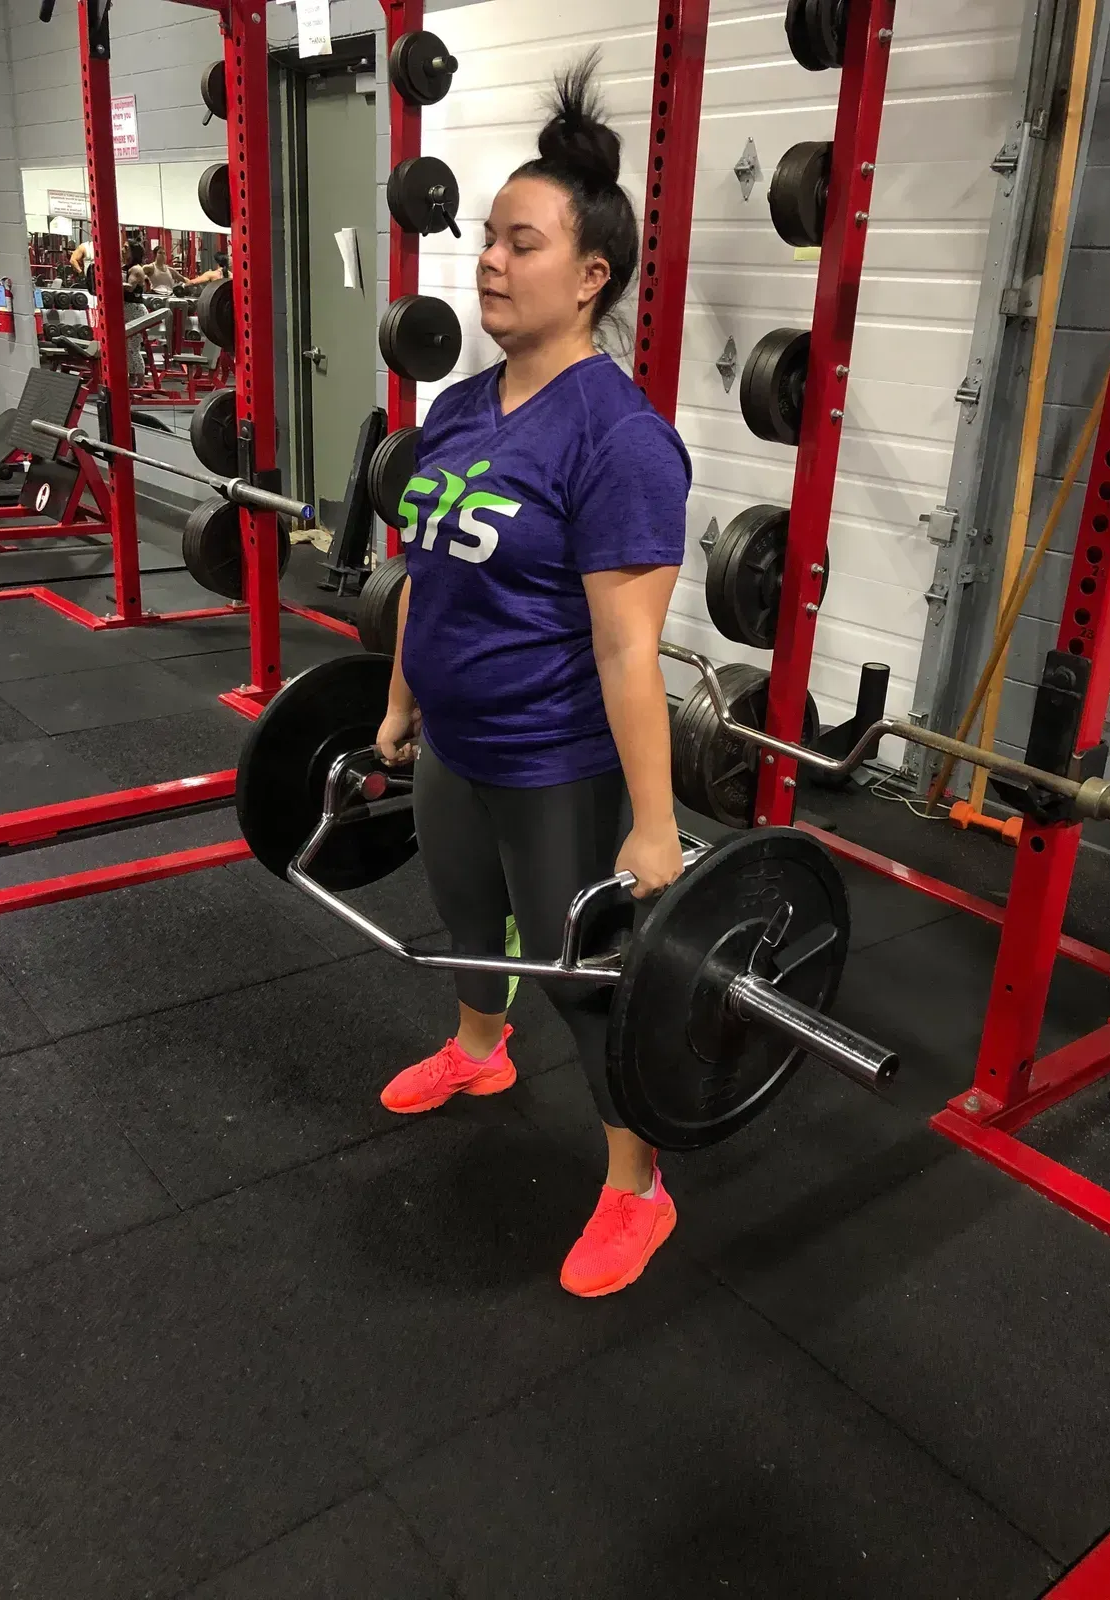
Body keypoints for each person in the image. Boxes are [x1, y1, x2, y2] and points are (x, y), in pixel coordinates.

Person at [375, 55, 692, 1299]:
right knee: (465, 925)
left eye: (523, 242)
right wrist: (402, 703)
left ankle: (637, 1181)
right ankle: (475, 1047)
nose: (490, 262)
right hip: (454, 738)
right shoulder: (457, 409)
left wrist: (656, 828)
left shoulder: (621, 441)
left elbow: (629, 647)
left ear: (592, 275)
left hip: (555, 759)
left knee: (588, 982)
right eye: (489, 239)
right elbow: (427, 577)